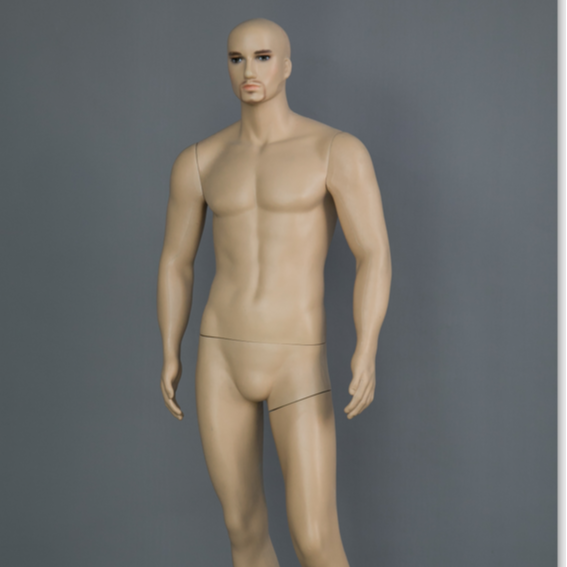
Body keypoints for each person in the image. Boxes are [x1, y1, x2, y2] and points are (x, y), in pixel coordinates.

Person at [157, 17, 391, 567]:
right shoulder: (200, 160)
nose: (249, 70)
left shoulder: (335, 150)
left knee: (314, 537)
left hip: (295, 357)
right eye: (237, 58)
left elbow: (373, 253)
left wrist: (367, 347)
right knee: (242, 531)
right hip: (221, 353)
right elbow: (175, 261)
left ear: (287, 66)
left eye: (263, 57)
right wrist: (170, 348)